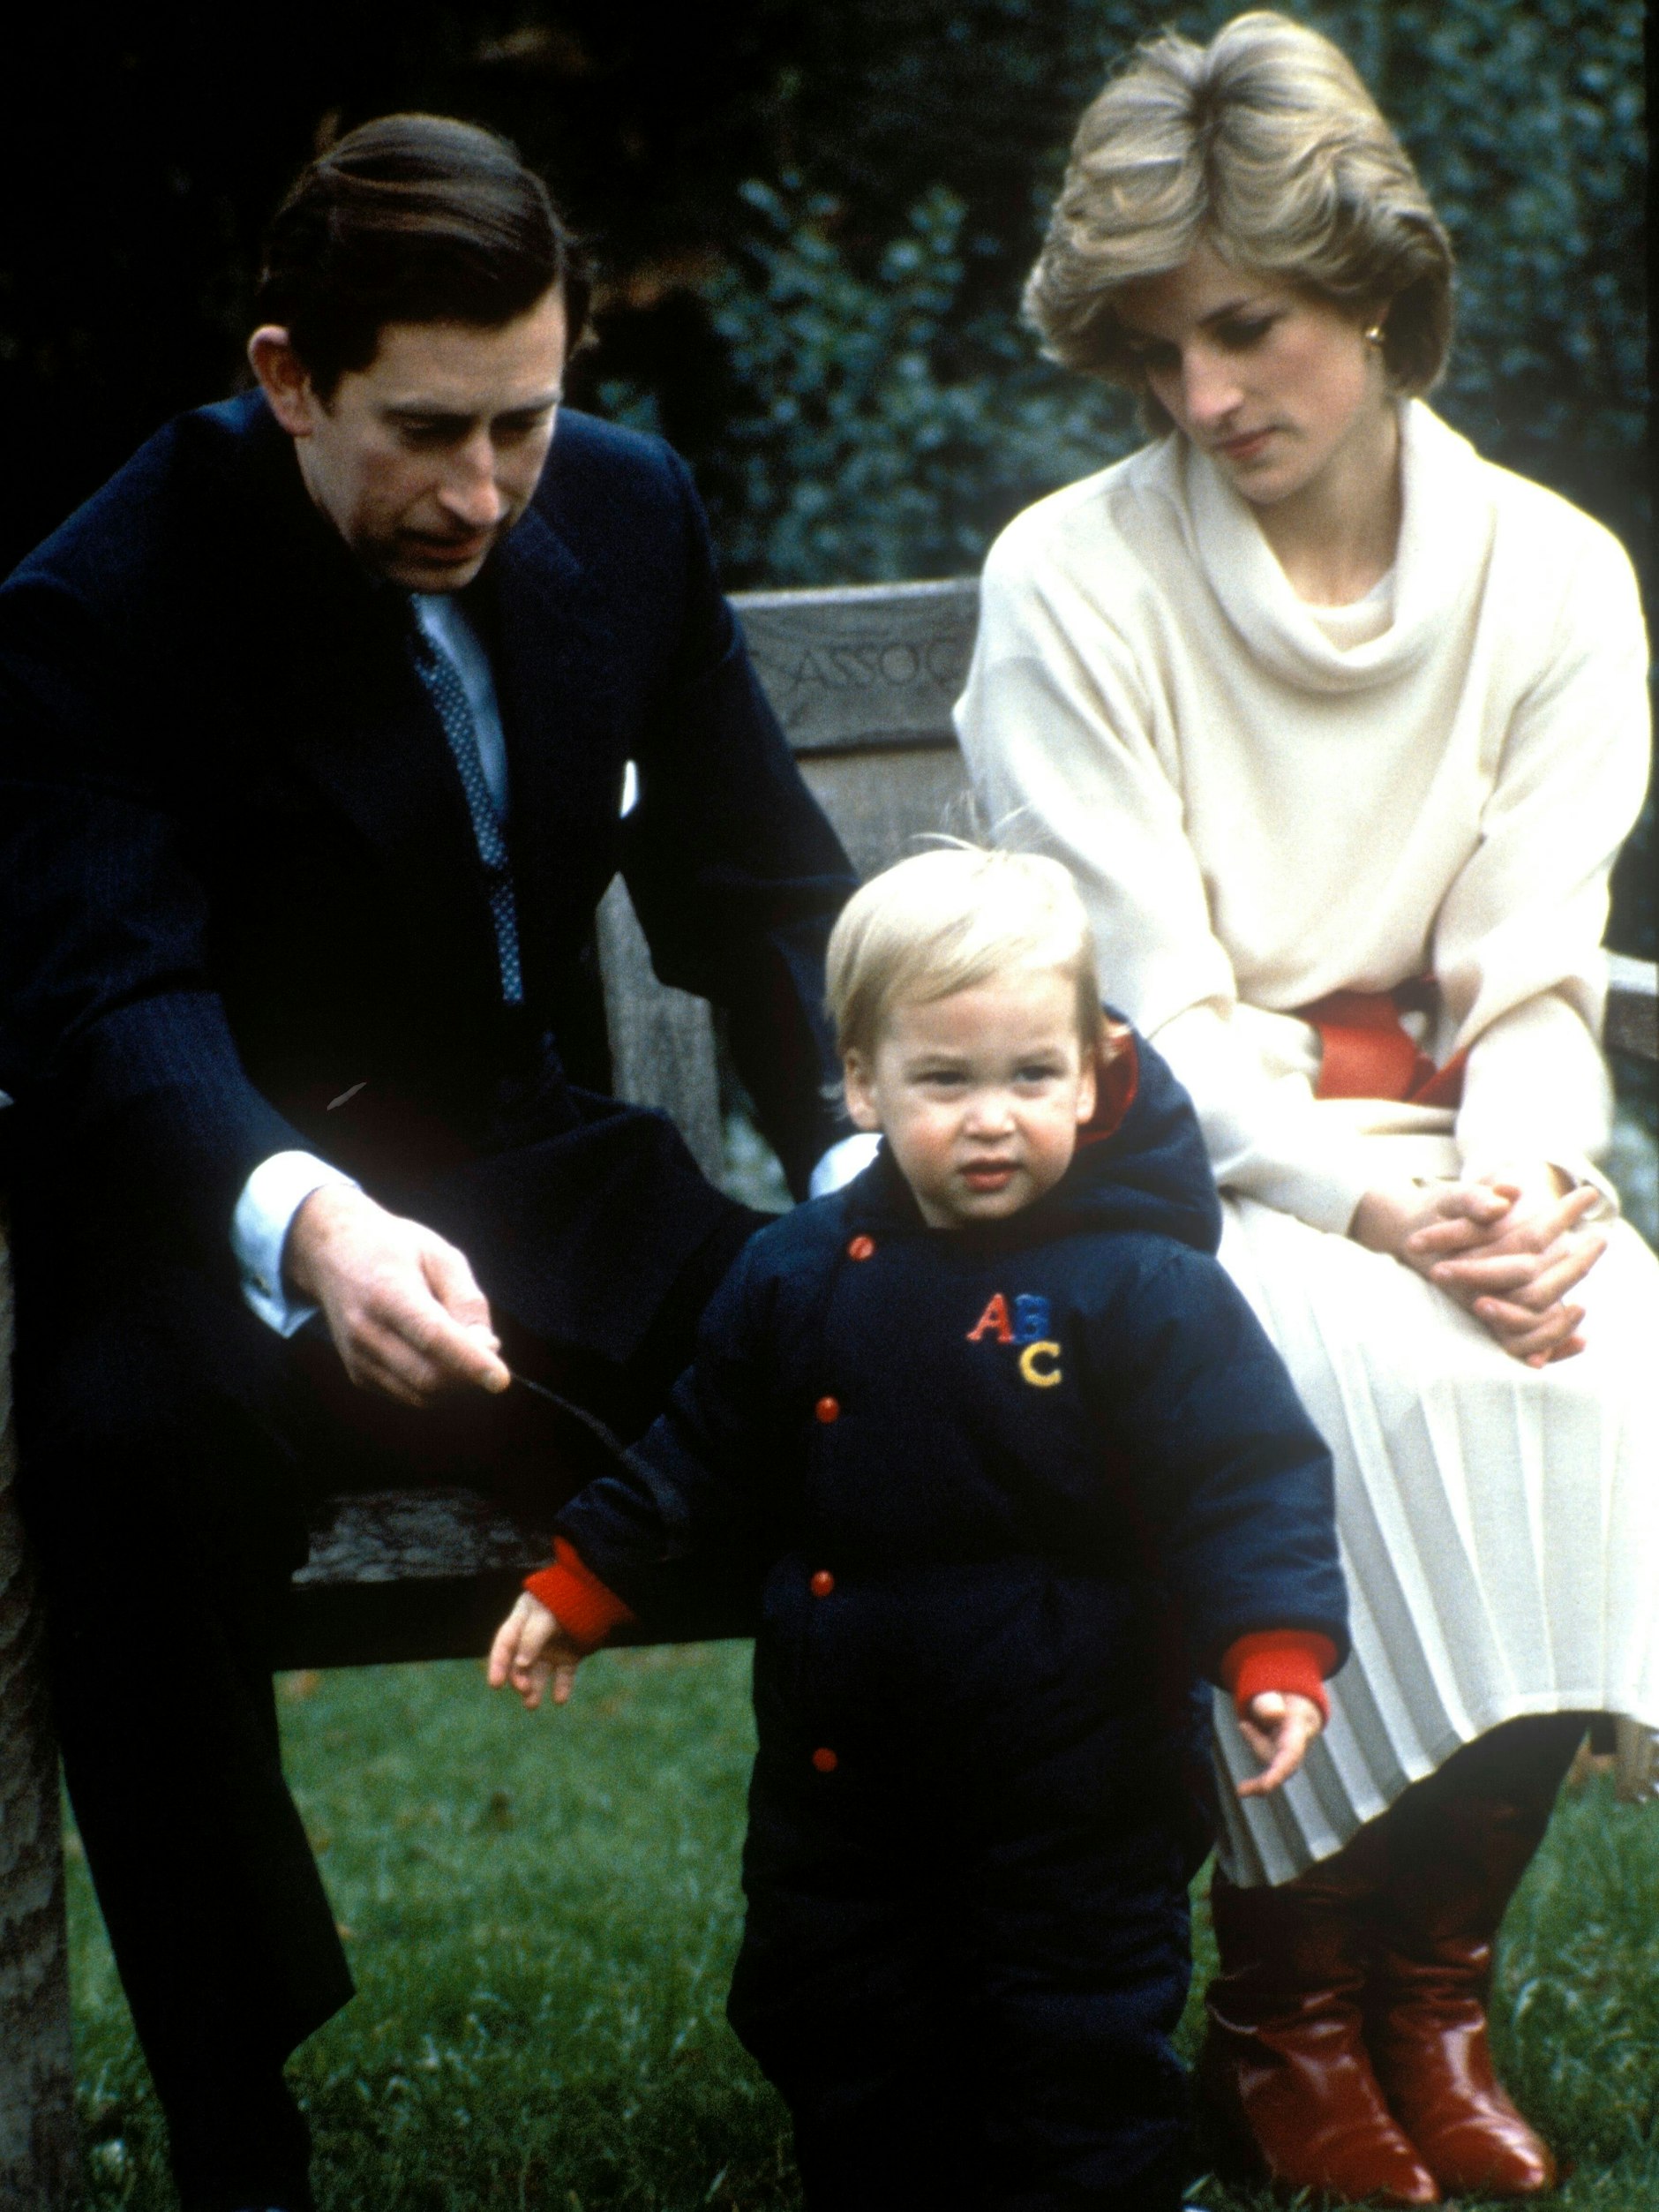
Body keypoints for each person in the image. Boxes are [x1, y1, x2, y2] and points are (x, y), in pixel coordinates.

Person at [0, 116, 860, 2212]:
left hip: (526, 1149)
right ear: (288, 375)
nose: (479, 490)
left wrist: (859, 1158)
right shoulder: (101, 598)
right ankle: (237, 2107)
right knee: (114, 1462)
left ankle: (884, 2020)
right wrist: (303, 1219)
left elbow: (754, 890)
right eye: (423, 431)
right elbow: (111, 1000)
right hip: (219, 1196)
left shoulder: (631, 515)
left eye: (526, 424)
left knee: (873, 1384)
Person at [954, 12, 1657, 2206]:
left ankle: (1428, 1984)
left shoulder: (1549, 573)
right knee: (1324, 1380)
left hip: (1457, 1136)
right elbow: (1138, 1007)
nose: (1202, 396)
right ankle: (1280, 2009)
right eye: (1154, 350)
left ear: (1372, 283)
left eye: (1243, 327)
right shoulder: (1072, 574)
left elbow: (1535, 972)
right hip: (1147, 1152)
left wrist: (1527, 1188)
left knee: (1606, 1348)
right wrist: (1376, 1219)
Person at [487, 845, 1350, 2212]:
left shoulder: (1143, 1283)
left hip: (1082, 1787)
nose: (992, 1117)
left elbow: (1242, 1472)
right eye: (945, 1081)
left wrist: (1276, 1647)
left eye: (1029, 1076)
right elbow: (704, 1443)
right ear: (862, 1082)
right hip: (850, 1784)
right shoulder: (799, 1271)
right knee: (845, 2030)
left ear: (1093, 1075)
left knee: (1075, 2054)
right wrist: (590, 1575)